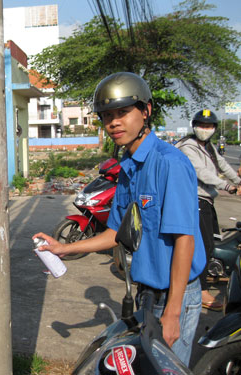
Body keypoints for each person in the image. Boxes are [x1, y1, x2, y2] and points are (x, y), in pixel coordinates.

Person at [33, 72, 206, 366]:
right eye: (107, 115)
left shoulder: (170, 163)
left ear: (145, 111)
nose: (114, 122)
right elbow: (115, 232)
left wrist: (174, 311)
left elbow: (184, 239)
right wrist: (64, 249)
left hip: (176, 295)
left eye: (123, 112)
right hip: (146, 294)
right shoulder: (127, 168)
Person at [175, 110, 241, 311]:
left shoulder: (208, 147)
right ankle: (201, 290)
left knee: (210, 243)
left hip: (206, 200)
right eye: (201, 126)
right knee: (201, 246)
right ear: (194, 126)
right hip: (194, 199)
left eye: (209, 126)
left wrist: (238, 181)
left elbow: (223, 165)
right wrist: (227, 186)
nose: (205, 129)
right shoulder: (188, 147)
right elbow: (200, 172)